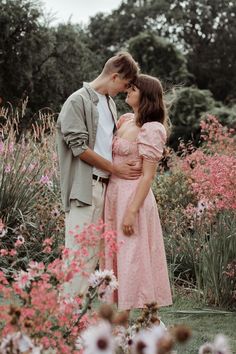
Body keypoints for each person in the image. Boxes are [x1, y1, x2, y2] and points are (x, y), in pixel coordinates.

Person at [56, 52, 141, 295]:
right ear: (114, 77)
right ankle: (66, 317)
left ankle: (74, 320)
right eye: (124, 85)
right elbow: (79, 149)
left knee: (91, 256)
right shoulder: (77, 101)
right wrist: (116, 168)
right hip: (83, 188)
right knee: (77, 254)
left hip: (105, 187)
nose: (124, 92)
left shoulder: (109, 104)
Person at [104, 74, 172, 312]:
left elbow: (148, 175)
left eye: (132, 88)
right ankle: (117, 323)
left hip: (134, 199)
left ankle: (132, 321)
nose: (127, 91)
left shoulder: (152, 129)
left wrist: (132, 211)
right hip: (113, 196)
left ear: (146, 95)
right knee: (116, 256)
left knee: (133, 257)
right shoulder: (125, 120)